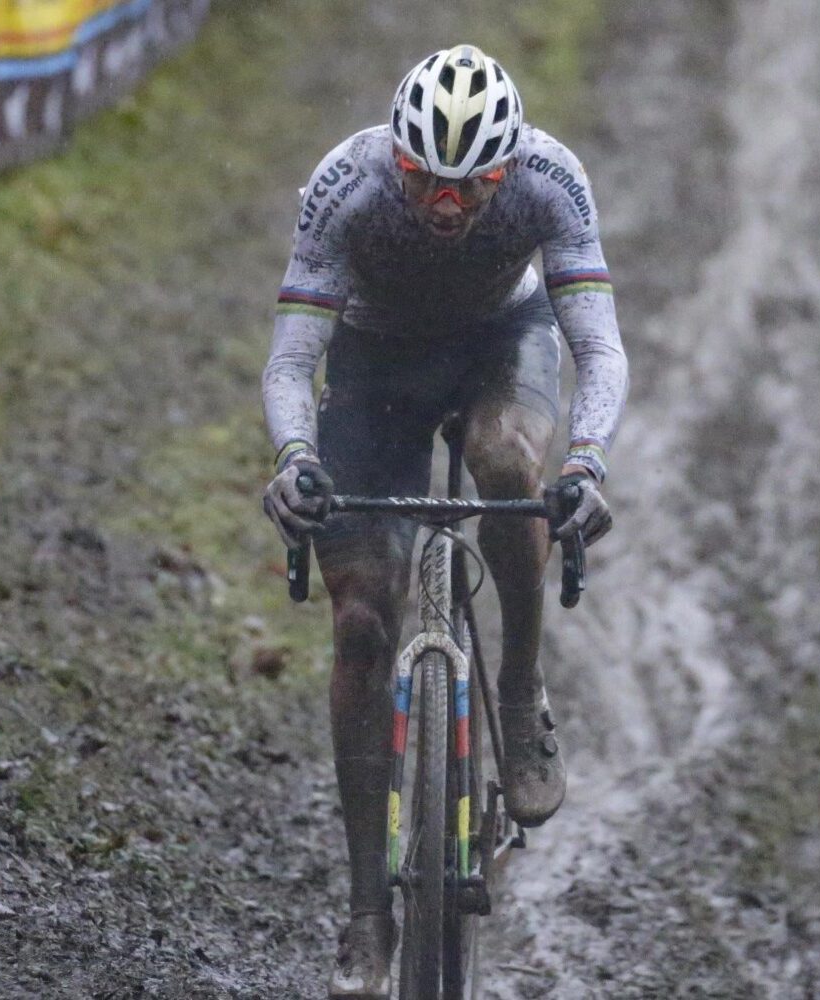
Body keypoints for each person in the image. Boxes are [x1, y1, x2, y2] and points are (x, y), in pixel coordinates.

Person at [258, 45, 628, 998]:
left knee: (507, 465)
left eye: (474, 184)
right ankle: (366, 916)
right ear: (397, 156)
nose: (449, 204)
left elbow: (597, 346)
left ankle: (518, 689)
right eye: (426, 179)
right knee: (361, 622)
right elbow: (292, 359)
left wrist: (585, 463)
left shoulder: (550, 181)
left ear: (508, 167)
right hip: (374, 363)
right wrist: (295, 457)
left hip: (502, 345)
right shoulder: (347, 187)